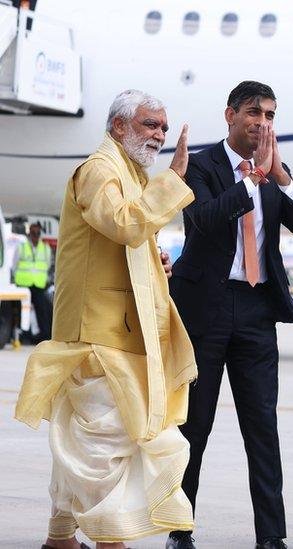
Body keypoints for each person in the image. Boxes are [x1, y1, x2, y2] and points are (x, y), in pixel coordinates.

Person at [15, 89, 196, 549]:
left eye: (163, 127)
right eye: (150, 125)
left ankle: (60, 536)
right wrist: (173, 179)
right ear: (119, 126)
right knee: (103, 445)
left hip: (116, 328)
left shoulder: (129, 173)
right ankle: (110, 539)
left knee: (79, 440)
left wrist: (154, 261)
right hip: (96, 332)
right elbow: (123, 223)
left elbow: (123, 239)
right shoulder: (100, 169)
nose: (159, 135)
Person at [167, 81, 293, 549]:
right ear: (230, 115)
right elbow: (203, 220)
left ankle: (271, 537)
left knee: (262, 427)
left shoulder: (274, 169)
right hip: (205, 310)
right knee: (194, 425)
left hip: (256, 311)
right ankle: (179, 528)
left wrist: (281, 180)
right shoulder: (200, 165)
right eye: (255, 113)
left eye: (271, 115)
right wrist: (250, 179)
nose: (263, 123)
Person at [12, 222, 54, 341]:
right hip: (23, 284)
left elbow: (47, 265)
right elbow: (14, 264)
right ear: (29, 233)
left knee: (42, 311)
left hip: (38, 285)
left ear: (40, 234)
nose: (35, 235)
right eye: (33, 233)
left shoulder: (45, 248)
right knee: (21, 311)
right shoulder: (22, 247)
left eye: (38, 233)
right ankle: (22, 336)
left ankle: (45, 336)